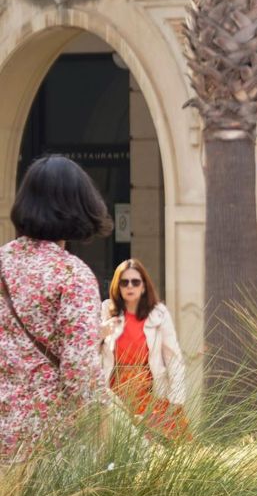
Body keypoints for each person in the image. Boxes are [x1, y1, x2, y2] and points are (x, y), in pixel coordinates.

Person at [0, 155, 110, 462]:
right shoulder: (72, 275)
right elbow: (79, 372)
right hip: (46, 441)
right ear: (78, 206)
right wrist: (103, 432)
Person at [100, 258, 188, 435]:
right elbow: (90, 350)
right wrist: (100, 332)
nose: (130, 287)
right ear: (118, 286)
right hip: (115, 394)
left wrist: (176, 399)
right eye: (124, 282)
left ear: (144, 286)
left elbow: (173, 358)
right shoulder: (106, 310)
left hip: (150, 392)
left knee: (162, 449)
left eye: (135, 282)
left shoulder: (159, 314)